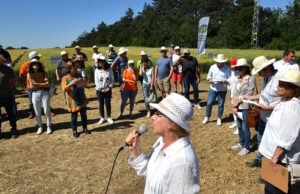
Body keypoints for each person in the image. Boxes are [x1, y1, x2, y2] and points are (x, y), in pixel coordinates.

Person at [126, 93, 200, 193]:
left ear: (172, 122)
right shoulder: (161, 142)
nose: (152, 117)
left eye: (158, 113)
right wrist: (135, 150)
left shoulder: (182, 164)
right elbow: (151, 174)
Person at [258, 69, 300, 193]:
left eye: (281, 84)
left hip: (280, 160)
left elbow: (288, 137)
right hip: (274, 156)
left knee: (275, 190)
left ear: (290, 88)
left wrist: (275, 157)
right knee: (271, 188)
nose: (277, 86)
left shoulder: (292, 107)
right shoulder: (284, 102)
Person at [244, 56, 281, 168]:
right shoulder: (267, 78)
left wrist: (268, 108)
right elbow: (263, 94)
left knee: (271, 144)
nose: (259, 75)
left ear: (267, 68)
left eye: (260, 72)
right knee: (260, 138)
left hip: (274, 118)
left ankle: (269, 167)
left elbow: (285, 103)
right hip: (263, 116)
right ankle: (260, 159)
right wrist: (250, 97)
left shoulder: (279, 80)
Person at [230, 58, 256, 156]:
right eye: (236, 68)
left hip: (245, 107)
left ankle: (247, 146)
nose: (237, 70)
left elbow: (249, 94)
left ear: (245, 68)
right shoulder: (237, 79)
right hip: (237, 106)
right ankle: (241, 143)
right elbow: (235, 94)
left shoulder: (250, 78)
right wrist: (234, 106)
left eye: (239, 68)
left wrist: (236, 104)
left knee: (245, 127)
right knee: (239, 126)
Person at [61, 61, 91, 138]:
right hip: (73, 101)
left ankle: (85, 128)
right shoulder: (65, 78)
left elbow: (85, 85)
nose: (75, 70)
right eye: (74, 68)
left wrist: (83, 80)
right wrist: (72, 83)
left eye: (76, 68)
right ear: (69, 69)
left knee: (84, 115)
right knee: (74, 117)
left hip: (81, 98)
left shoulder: (79, 75)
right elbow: (64, 89)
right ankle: (74, 130)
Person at [202, 54, 231, 126]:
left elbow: (230, 79)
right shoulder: (212, 67)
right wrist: (210, 79)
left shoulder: (227, 68)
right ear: (217, 61)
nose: (220, 63)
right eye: (219, 62)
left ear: (224, 62)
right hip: (213, 88)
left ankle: (219, 118)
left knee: (221, 104)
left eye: (222, 62)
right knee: (209, 103)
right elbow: (209, 75)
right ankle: (207, 117)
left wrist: (225, 81)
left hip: (222, 89)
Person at [27, 59, 52, 135]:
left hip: (45, 92)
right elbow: (31, 86)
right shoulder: (29, 74)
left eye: (37, 63)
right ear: (31, 65)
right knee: (37, 111)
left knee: (47, 110)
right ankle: (40, 126)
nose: (36, 65)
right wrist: (42, 83)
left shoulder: (44, 73)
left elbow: (47, 84)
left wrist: (37, 84)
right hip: (35, 93)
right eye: (33, 64)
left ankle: (48, 126)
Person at [0, 54, 18, 139]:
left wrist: (8, 88)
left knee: (11, 114)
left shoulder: (7, 69)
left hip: (7, 95)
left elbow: (13, 81)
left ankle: (14, 130)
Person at [94, 56, 114, 125]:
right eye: (99, 61)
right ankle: (102, 117)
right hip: (99, 90)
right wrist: (101, 89)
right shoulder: (96, 70)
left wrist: (109, 88)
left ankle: (109, 117)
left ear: (105, 62)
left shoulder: (109, 69)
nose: (100, 62)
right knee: (101, 104)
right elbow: (96, 81)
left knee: (108, 103)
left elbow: (112, 79)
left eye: (102, 61)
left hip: (108, 89)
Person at [228, 58, 239, 134]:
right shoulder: (231, 72)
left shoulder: (241, 73)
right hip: (232, 93)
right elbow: (230, 81)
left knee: (239, 109)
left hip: (239, 94)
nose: (234, 69)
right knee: (233, 107)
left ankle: (239, 126)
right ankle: (235, 122)